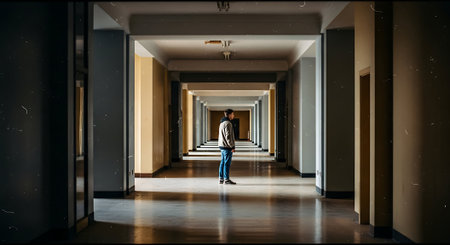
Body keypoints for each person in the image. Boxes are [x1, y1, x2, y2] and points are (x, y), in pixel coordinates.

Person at [218, 108, 236, 185]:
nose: (233, 115)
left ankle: (221, 178)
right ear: (229, 115)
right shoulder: (228, 123)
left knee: (222, 162)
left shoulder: (222, 123)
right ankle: (226, 179)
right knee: (227, 163)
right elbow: (228, 136)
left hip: (222, 145)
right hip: (227, 146)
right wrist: (232, 146)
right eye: (233, 114)